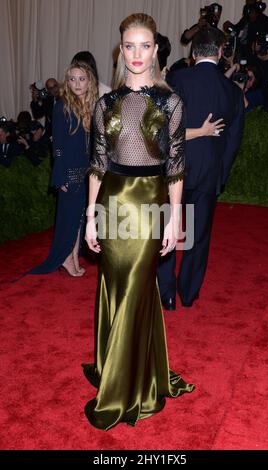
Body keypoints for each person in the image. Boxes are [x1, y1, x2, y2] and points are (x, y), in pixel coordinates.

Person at [82, 13, 195, 430]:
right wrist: (91, 218)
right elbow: (96, 166)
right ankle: (117, 365)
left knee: (135, 287)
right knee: (113, 284)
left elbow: (176, 170)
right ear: (120, 49)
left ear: (155, 50)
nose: (136, 54)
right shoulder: (105, 104)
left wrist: (174, 220)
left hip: (149, 206)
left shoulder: (170, 102)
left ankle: (123, 390)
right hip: (111, 202)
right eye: (129, 45)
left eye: (144, 45)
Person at [157, 26, 245, 310]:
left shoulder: (177, 78)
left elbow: (161, 126)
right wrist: (221, 174)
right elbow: (233, 141)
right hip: (208, 172)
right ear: (221, 53)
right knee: (199, 235)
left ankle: (166, 293)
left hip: (173, 168)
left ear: (193, 54)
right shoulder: (232, 91)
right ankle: (188, 293)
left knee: (167, 228)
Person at [30, 63, 98, 276]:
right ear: (67, 82)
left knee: (79, 218)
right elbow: (57, 145)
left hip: (87, 170)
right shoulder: (61, 105)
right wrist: (60, 177)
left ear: (89, 82)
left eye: (81, 79)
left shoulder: (92, 105)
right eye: (72, 79)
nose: (77, 84)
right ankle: (66, 258)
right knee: (69, 219)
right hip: (69, 171)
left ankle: (73, 258)